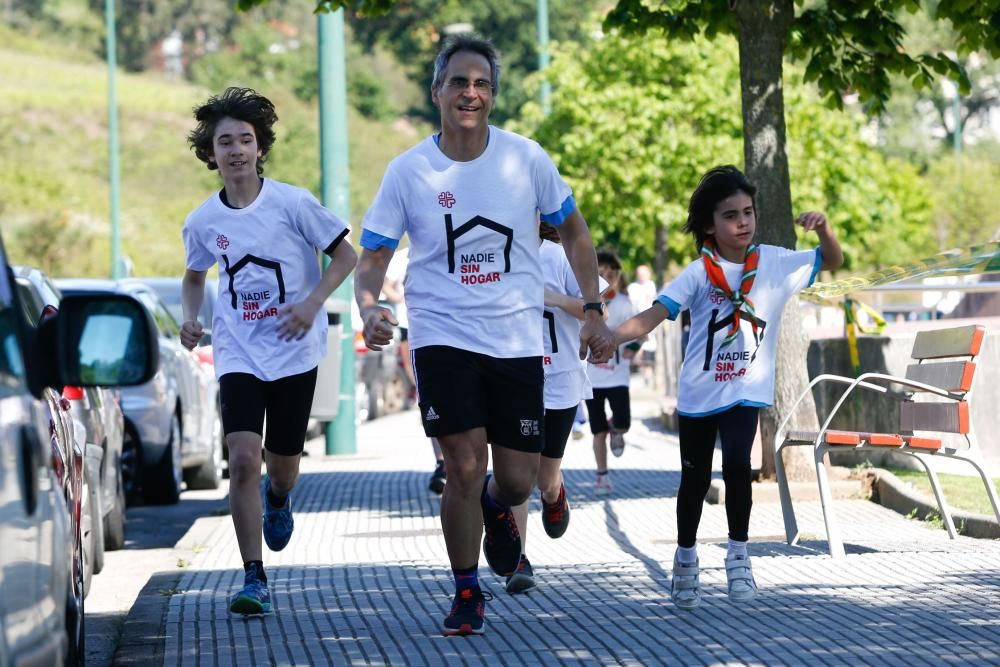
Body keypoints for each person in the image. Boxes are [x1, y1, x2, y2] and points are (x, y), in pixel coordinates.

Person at [354, 34, 614, 636]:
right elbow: (372, 259)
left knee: (516, 478)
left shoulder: (527, 159)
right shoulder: (409, 170)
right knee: (464, 468)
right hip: (443, 336)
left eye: (481, 84)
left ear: (492, 95)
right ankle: (467, 590)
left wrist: (595, 306)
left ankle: (502, 508)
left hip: (517, 339)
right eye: (458, 82)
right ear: (438, 91)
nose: (470, 93)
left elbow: (575, 234)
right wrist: (370, 306)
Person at [613, 165, 842, 609]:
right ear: (708, 226)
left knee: (739, 464)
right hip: (700, 394)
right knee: (694, 480)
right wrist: (610, 336)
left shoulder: (773, 263)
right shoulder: (699, 274)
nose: (743, 222)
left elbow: (829, 261)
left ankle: (739, 558)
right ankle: (685, 557)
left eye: (749, 212)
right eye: (731, 215)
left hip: (745, 388)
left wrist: (825, 230)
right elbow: (655, 314)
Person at [179, 87, 358, 616]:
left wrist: (312, 303)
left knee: (282, 467)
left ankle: (279, 500)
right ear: (211, 154)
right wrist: (191, 318)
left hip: (295, 350)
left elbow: (346, 255)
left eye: (246, 140)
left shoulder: (293, 203)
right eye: (225, 141)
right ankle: (253, 576)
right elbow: (193, 277)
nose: (236, 149)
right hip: (238, 351)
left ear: (260, 148)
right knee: (241, 459)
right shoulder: (203, 221)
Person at [505, 222, 601, 594]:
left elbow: (596, 310)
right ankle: (518, 558)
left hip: (559, 379)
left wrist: (553, 298)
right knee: (517, 476)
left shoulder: (560, 256)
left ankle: (554, 492)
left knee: (543, 477)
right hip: (513, 378)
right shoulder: (498, 257)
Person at [382, 247, 447, 494]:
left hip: (446, 327)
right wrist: (398, 298)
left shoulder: (444, 243)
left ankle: (455, 462)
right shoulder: (401, 257)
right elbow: (384, 285)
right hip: (414, 329)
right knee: (428, 394)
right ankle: (442, 462)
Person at [585, 251, 638, 497]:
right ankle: (602, 476)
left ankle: (616, 429)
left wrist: (633, 349)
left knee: (624, 422)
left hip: (617, 376)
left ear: (617, 276)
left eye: (610, 274)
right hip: (593, 378)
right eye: (600, 274)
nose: (605, 278)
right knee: (598, 432)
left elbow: (641, 332)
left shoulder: (625, 304)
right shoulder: (584, 303)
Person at [627, 264, 658, 382]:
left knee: (648, 346)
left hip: (649, 321)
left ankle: (647, 375)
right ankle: (636, 368)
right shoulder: (632, 287)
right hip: (635, 320)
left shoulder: (650, 285)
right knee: (637, 345)